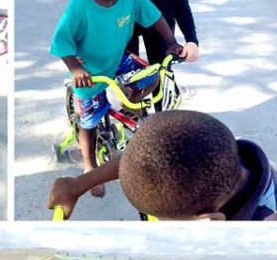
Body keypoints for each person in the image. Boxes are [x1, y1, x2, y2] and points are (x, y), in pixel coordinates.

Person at [50, 0, 185, 197]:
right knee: (89, 121)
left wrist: (171, 42)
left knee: (152, 76)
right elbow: (61, 41)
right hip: (90, 72)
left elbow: (155, 16)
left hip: (117, 59)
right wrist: (75, 68)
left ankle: (130, 102)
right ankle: (90, 167)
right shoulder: (80, 6)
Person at [48, 110, 277, 221]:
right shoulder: (223, 153)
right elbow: (139, 157)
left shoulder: (267, 220)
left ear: (206, 220)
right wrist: (79, 183)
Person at [127, 0, 199, 65]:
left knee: (161, 67)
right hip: (126, 19)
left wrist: (191, 40)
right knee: (127, 68)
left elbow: (181, 6)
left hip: (163, 19)